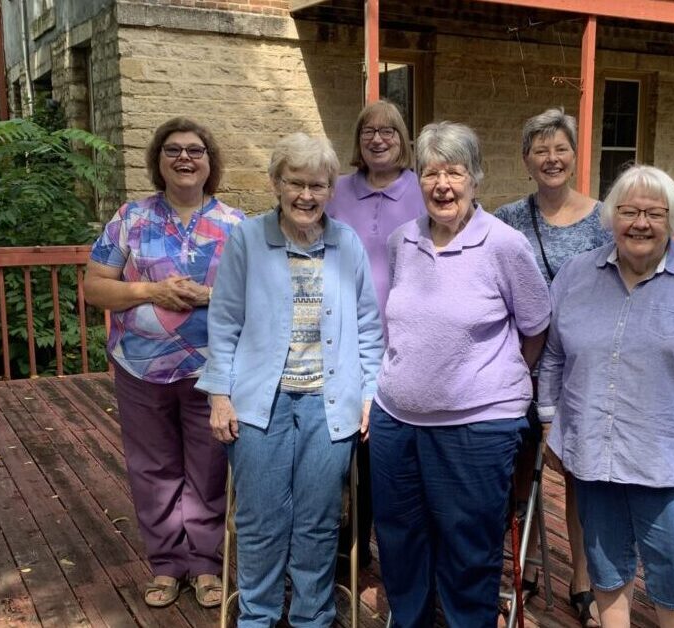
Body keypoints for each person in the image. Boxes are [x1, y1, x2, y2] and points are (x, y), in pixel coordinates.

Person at [537, 165, 674, 628]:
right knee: (606, 568)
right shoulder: (575, 276)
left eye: (654, 213)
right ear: (611, 217)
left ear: (672, 220)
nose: (640, 223)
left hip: (668, 461)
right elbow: (552, 357)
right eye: (629, 211)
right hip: (595, 455)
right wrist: (551, 423)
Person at [196, 133, 383, 628]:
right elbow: (224, 321)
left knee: (319, 521)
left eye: (317, 185)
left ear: (330, 189)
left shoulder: (348, 244)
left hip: (330, 403)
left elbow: (368, 327)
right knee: (260, 521)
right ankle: (256, 616)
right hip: (260, 403)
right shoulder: (248, 240)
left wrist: (369, 394)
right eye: (295, 182)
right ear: (276, 183)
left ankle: (310, 616)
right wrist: (219, 395)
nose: (306, 195)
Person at [370, 122, 551, 628]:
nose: (442, 185)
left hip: (477, 425)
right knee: (400, 540)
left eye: (455, 172)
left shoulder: (505, 245)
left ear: (475, 178)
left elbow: (535, 327)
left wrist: (499, 380)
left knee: (468, 547)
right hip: (396, 419)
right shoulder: (401, 241)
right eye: (431, 173)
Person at [85, 117, 244, 609]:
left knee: (208, 468)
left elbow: (255, 296)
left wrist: (208, 295)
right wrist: (151, 290)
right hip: (140, 367)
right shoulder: (131, 218)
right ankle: (166, 564)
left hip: (210, 371)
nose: (184, 158)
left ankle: (204, 565)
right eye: (173, 150)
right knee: (152, 468)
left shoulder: (237, 227)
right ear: (158, 160)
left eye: (195, 150)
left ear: (209, 162)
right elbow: (94, 287)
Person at [494, 107, 609, 627]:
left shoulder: (605, 218)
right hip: (520, 365)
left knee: (581, 476)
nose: (551, 158)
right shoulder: (508, 218)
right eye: (540, 149)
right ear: (526, 159)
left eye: (560, 148)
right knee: (519, 473)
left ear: (575, 154)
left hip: (583, 369)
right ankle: (526, 560)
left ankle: (582, 577)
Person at [325, 100, 424, 569]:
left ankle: (397, 551)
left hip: (408, 342)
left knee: (385, 449)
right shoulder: (336, 190)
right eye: (368, 131)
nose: (378, 138)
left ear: (403, 139)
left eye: (389, 131)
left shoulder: (423, 189)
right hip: (343, 337)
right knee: (349, 445)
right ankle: (352, 547)